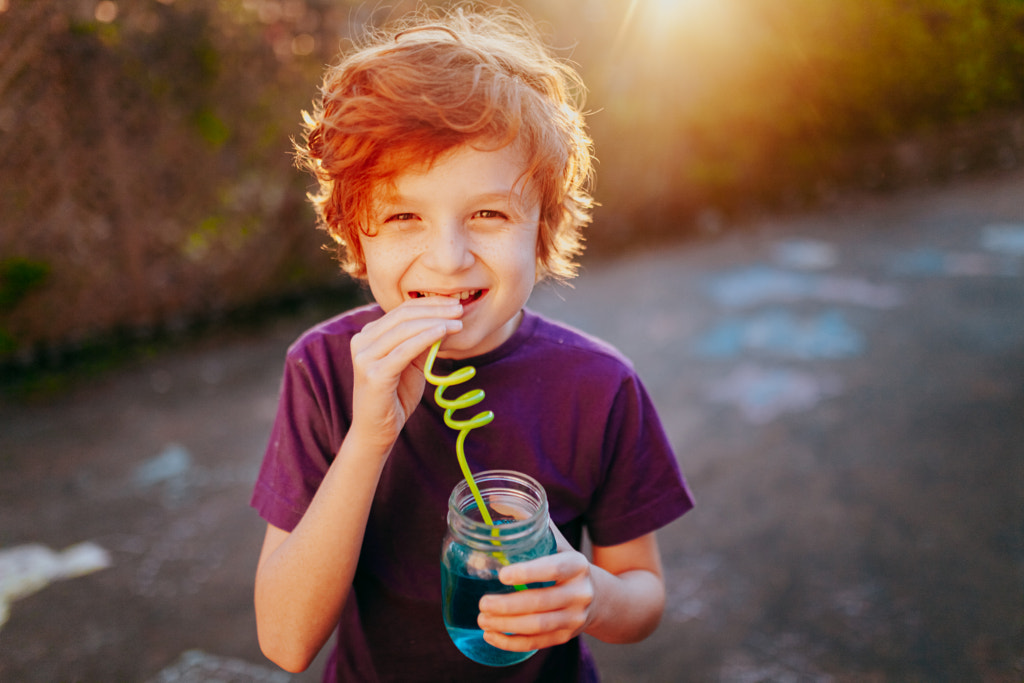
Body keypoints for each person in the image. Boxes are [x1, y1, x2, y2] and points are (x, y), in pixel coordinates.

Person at [251, 6, 694, 681]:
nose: (448, 258)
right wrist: (368, 438)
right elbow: (285, 639)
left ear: (540, 228)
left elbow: (643, 595)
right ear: (356, 236)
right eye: (403, 216)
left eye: (488, 213)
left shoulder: (599, 386)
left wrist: (593, 597)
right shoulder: (322, 370)